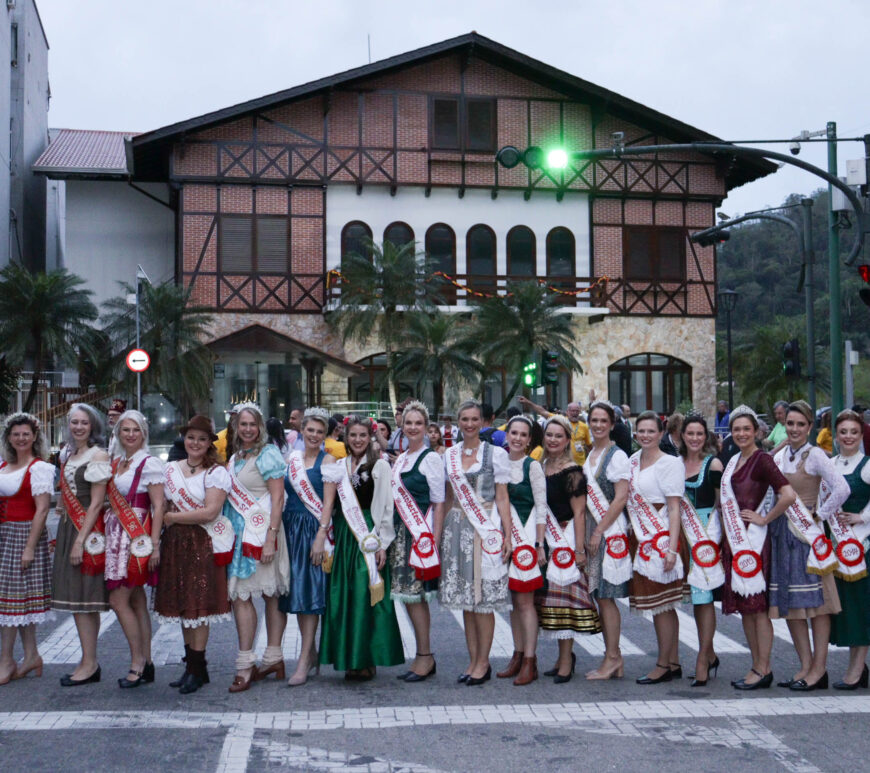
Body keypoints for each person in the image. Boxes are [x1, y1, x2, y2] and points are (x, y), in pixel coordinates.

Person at [318, 416, 403, 680]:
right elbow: (331, 503)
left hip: (368, 533)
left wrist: (382, 543)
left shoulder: (379, 465)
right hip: (344, 534)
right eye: (353, 435)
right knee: (344, 596)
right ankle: (349, 658)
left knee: (365, 597)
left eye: (362, 435)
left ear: (370, 437)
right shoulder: (338, 465)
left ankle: (366, 658)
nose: (357, 440)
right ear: (346, 436)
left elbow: (388, 507)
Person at [771, 400, 849, 691]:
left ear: (809, 427)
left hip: (807, 536)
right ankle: (804, 665)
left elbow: (842, 487)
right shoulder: (782, 454)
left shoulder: (815, 454)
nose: (793, 429)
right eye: (790, 423)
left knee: (817, 605)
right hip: (783, 533)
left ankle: (819, 668)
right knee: (791, 604)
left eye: (800, 424)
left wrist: (820, 514)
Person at [719, 405, 796, 689]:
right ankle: (756, 665)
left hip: (754, 544)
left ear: (757, 432)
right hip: (736, 545)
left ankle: (764, 668)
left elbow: (787, 495)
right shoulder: (734, 460)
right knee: (745, 609)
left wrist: (765, 518)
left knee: (758, 609)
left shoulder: (762, 459)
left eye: (746, 429)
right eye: (736, 429)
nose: (741, 433)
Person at [154, 415, 233, 694]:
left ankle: (197, 669)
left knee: (197, 608)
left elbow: (210, 512)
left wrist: (174, 518)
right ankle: (193, 666)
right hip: (175, 543)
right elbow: (161, 506)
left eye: (201, 439)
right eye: (191, 438)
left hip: (201, 543)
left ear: (209, 443)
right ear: (184, 440)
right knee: (183, 607)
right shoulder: (171, 469)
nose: (195, 443)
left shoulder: (216, 472)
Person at [440, 399, 512, 686]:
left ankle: (484, 662)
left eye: (474, 419)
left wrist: (507, 535)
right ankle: (472, 660)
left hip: (486, 527)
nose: (469, 424)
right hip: (456, 527)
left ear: (483, 422)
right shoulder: (449, 454)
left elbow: (503, 496)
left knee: (482, 600)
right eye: (464, 419)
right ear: (458, 421)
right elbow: (446, 498)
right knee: (466, 602)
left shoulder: (495, 454)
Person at [224, 403, 290, 693]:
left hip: (264, 533)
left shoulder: (268, 454)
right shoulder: (237, 456)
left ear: (261, 427)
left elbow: (278, 499)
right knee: (242, 596)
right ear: (236, 428)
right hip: (240, 536)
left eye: (252, 424)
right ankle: (248, 660)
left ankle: (271, 657)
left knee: (270, 594)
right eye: (243, 424)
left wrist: (271, 538)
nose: (248, 429)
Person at [535, 414, 601, 683]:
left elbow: (579, 513)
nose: (552, 440)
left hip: (564, 540)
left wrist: (579, 550)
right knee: (547, 602)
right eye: (549, 435)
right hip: (544, 541)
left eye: (558, 436)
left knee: (564, 604)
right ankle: (561, 657)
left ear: (567, 440)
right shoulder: (539, 466)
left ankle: (566, 659)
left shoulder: (573, 472)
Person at [104, 409, 164, 688]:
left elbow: (159, 505)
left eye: (135, 430)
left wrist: (153, 544)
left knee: (119, 600)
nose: (130, 435)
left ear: (144, 434)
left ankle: (137, 662)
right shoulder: (117, 462)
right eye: (125, 430)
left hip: (137, 534)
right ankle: (147, 662)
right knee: (137, 600)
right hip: (117, 532)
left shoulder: (149, 463)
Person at [52, 404, 111, 687]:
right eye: (74, 422)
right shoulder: (69, 453)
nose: (78, 427)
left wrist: (79, 541)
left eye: (83, 423)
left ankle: (90, 663)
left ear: (93, 426)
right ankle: (88, 660)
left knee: (87, 600)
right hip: (69, 529)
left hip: (87, 532)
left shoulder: (98, 455)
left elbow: (98, 502)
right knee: (77, 600)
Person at [625, 411, 684, 685]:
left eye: (651, 431)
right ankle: (672, 662)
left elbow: (674, 507)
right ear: (635, 433)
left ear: (661, 434)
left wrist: (672, 548)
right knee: (663, 605)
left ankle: (663, 664)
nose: (646, 436)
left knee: (664, 603)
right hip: (641, 536)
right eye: (641, 431)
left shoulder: (670, 463)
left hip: (661, 538)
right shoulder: (632, 461)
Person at [390, 400, 445, 682]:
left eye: (418, 423)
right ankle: (421, 656)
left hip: (418, 537)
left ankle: (425, 656)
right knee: (409, 599)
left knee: (417, 599)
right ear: (402, 425)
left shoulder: (431, 459)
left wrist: (432, 543)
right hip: (401, 536)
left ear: (426, 427)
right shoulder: (401, 458)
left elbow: (438, 502)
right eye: (408, 423)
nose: (412, 428)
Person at [282, 407, 336, 686]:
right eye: (310, 430)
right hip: (289, 529)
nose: (314, 435)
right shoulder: (291, 459)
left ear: (325, 434)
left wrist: (320, 536)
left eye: (320, 431)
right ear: (302, 431)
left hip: (312, 531)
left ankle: (304, 659)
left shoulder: (328, 461)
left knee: (310, 593)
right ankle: (309, 651)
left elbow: (328, 503)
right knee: (297, 596)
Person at [0, 413, 54, 685]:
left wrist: (30, 547)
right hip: (4, 535)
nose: (21, 438)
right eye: (16, 434)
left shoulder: (39, 468)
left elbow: (43, 509)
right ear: (9, 437)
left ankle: (6, 660)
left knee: (8, 601)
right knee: (17, 601)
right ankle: (31, 655)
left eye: (26, 434)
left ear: (34, 437)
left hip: (24, 534)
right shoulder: (2, 466)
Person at [583, 401, 631, 681]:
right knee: (600, 596)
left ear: (612, 424)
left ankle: (612, 657)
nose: (598, 425)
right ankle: (613, 657)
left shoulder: (617, 456)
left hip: (608, 531)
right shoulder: (592, 454)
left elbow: (621, 497)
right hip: (595, 528)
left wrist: (599, 530)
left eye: (604, 420)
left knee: (606, 597)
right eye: (595, 420)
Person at [497, 415, 547, 686]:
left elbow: (541, 507)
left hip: (527, 541)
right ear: (507, 435)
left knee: (526, 603)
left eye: (523, 435)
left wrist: (539, 544)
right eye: (513, 433)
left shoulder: (533, 467)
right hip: (506, 541)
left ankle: (530, 660)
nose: (517, 438)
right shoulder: (498, 463)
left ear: (529, 440)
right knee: (514, 604)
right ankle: (517, 655)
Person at [679, 413, 724, 686]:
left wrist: (715, 539)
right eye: (690, 433)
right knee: (695, 598)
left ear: (705, 437)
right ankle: (710, 653)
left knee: (704, 597)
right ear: (682, 436)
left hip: (706, 534)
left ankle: (702, 659)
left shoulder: (714, 464)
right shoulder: (676, 464)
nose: (694, 438)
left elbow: (722, 504)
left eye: (699, 434)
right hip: (683, 535)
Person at [828, 410, 870, 688]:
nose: (848, 436)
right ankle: (858, 666)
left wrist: (863, 517)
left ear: (861, 434)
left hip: (862, 547)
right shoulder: (830, 463)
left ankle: (857, 669)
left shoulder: (867, 464)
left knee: (861, 607)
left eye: (853, 431)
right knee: (846, 608)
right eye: (843, 431)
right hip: (837, 546)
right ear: (836, 435)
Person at [519, 397, 591, 466]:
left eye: (577, 411)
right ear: (567, 412)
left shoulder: (584, 426)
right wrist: (528, 402)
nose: (575, 413)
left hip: (580, 465)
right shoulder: (561, 421)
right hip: (562, 464)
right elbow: (542, 411)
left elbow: (589, 446)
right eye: (572, 411)